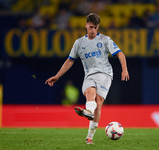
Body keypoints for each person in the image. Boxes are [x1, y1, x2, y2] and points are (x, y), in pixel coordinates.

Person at [45, 13, 129, 144]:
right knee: (90, 93)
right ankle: (88, 111)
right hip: (89, 75)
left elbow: (120, 54)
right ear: (86, 25)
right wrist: (57, 76)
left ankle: (89, 136)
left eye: (95, 27)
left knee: (98, 103)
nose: (93, 30)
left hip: (105, 74)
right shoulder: (79, 43)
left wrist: (124, 69)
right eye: (91, 27)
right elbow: (69, 61)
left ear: (98, 27)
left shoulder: (105, 40)